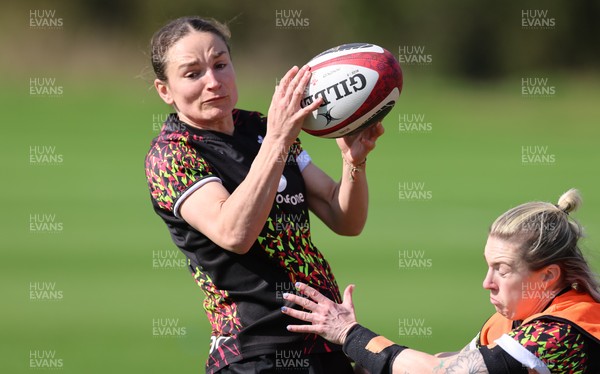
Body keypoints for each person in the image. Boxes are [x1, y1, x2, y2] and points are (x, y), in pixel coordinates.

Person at [144, 16, 384, 373]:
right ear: (165, 90)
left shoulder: (258, 127)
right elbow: (234, 233)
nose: (213, 81)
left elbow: (344, 218)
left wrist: (354, 163)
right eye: (193, 73)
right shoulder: (172, 155)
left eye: (221, 64)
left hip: (323, 338)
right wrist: (278, 140)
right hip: (255, 352)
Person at [282, 189, 600, 373]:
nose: (487, 282)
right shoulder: (516, 320)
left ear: (547, 276)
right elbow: (445, 362)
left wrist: (352, 336)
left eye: (502, 270)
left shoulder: (561, 333)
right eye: (488, 267)